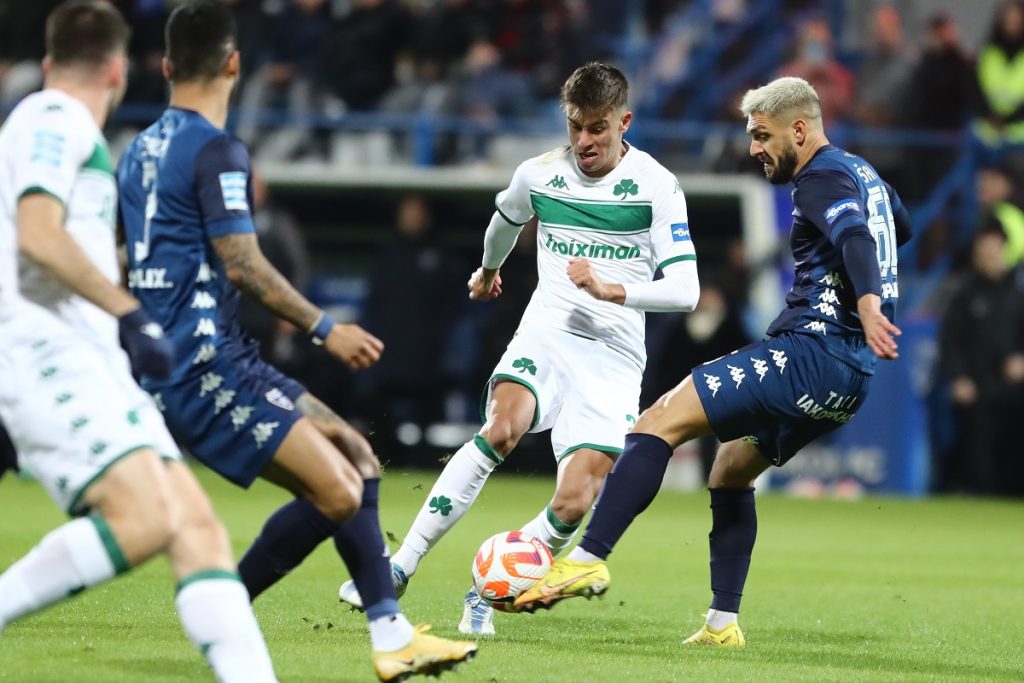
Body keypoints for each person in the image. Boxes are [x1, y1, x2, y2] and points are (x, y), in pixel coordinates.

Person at [114, 3, 476, 681]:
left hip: (202, 357)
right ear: (234, 64)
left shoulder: (137, 151)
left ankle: (389, 632)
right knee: (339, 490)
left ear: (165, 66)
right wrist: (325, 327)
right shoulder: (217, 150)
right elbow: (243, 264)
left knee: (357, 457)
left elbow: (122, 255)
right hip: (205, 365)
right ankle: (231, 612)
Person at [514, 76, 913, 647]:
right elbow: (899, 227)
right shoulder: (865, 175)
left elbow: (853, 234)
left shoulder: (820, 178)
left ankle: (587, 559)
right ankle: (722, 624)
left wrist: (868, 304)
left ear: (800, 130)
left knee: (657, 422)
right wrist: (870, 299)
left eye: (762, 135)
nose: (753, 148)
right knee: (730, 468)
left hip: (809, 352)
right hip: (852, 376)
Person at [339, 62, 701, 636]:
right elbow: (505, 219)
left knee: (575, 501)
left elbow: (686, 290)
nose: (584, 141)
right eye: (575, 126)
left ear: (624, 122)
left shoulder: (657, 186)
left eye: (598, 128)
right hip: (548, 331)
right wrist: (488, 270)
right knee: (501, 428)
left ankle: (488, 589)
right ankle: (400, 564)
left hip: (614, 354)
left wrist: (613, 289)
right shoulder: (540, 174)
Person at [0, 3, 278, 681]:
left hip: (92, 358)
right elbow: (37, 233)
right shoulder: (53, 116)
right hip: (45, 351)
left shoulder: (66, 130)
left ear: (50, 61)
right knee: (144, 518)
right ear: (119, 71)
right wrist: (130, 313)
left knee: (195, 526)